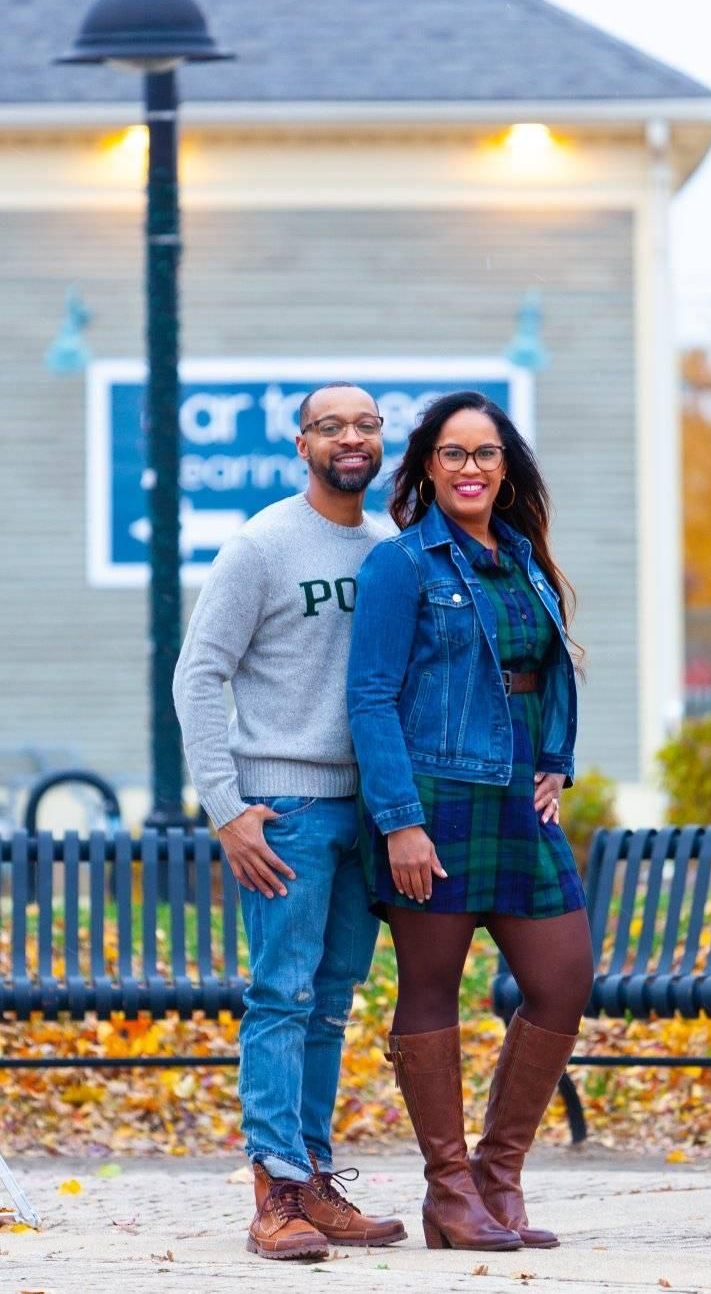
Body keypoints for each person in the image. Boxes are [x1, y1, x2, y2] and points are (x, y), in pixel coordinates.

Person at [347, 390, 593, 1253]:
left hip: (519, 801)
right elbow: (371, 698)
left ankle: (498, 1177)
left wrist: (557, 758)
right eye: (452, 454)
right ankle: (450, 1196)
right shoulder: (402, 565)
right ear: (426, 468)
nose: (470, 469)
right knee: (429, 988)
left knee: (564, 976)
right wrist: (400, 820)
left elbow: (542, 670)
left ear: (505, 468)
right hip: (436, 797)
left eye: (485, 454)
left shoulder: (523, 558)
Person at [173, 383, 407, 1260]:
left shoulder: (387, 549)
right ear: (302, 444)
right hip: (289, 810)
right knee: (281, 995)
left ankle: (313, 1178)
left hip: (369, 811)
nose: (351, 438)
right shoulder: (262, 545)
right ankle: (273, 1193)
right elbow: (198, 676)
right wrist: (227, 809)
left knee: (331, 1001)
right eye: (332, 426)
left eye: (366, 425)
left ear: (381, 442)